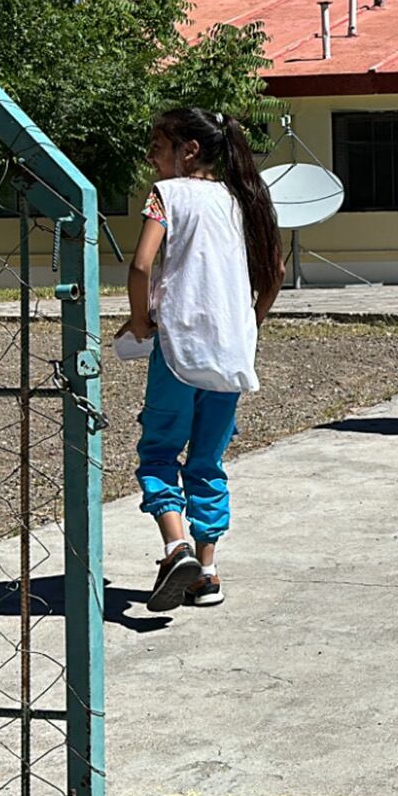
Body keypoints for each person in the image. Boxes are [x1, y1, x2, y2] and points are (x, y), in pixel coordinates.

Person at [120, 107, 284, 613]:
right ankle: (207, 574)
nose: (151, 155)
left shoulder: (165, 195)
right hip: (230, 354)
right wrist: (250, 323)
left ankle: (175, 550)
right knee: (209, 461)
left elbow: (142, 263)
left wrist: (141, 319)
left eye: (157, 145)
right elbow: (274, 271)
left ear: (188, 150)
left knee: (159, 452)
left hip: (178, 349)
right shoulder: (243, 200)